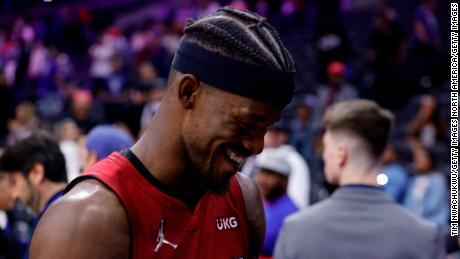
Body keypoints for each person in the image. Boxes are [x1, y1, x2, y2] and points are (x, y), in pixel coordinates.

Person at [30, 7, 296, 259]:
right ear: (189, 92)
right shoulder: (85, 222)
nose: (257, 146)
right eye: (246, 123)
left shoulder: (244, 200)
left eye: (265, 129)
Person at [274, 100, 445, 259]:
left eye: (326, 148)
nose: (324, 155)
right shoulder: (427, 236)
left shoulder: (296, 229)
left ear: (341, 155)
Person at [255, 148, 298, 259]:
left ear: (284, 180)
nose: (262, 180)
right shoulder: (258, 202)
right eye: (261, 173)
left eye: (269, 175)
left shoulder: (292, 214)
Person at [403, 147, 449, 228]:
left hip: (434, 224)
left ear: (430, 159)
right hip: (414, 223)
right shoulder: (413, 180)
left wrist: (414, 220)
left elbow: (433, 206)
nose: (418, 161)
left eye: (422, 158)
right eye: (416, 158)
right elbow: (407, 203)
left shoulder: (437, 179)